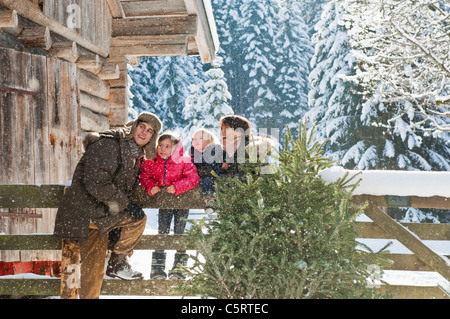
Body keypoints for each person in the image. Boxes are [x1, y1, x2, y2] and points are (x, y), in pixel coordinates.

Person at [53, 112, 162, 299]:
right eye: (142, 126)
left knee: (93, 276)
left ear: (152, 138)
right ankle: (117, 263)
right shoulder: (110, 144)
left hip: (99, 216)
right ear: (134, 126)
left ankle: (115, 264)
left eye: (150, 131)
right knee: (138, 220)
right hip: (86, 212)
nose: (144, 132)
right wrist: (126, 205)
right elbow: (96, 181)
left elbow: (123, 184)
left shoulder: (133, 154)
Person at [139, 131, 200, 280]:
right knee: (162, 232)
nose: (163, 149)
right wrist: (151, 185)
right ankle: (157, 269)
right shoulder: (152, 161)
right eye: (160, 145)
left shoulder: (183, 161)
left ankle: (178, 270)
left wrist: (178, 186)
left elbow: (193, 178)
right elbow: (144, 176)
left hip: (181, 202)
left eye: (167, 146)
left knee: (179, 232)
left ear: (175, 148)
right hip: (164, 203)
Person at [190, 128, 225, 216]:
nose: (196, 141)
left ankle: (212, 201)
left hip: (216, 178)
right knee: (204, 181)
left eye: (201, 138)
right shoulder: (194, 154)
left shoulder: (216, 150)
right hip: (203, 179)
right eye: (194, 139)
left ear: (210, 140)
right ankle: (209, 200)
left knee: (207, 181)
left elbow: (215, 168)